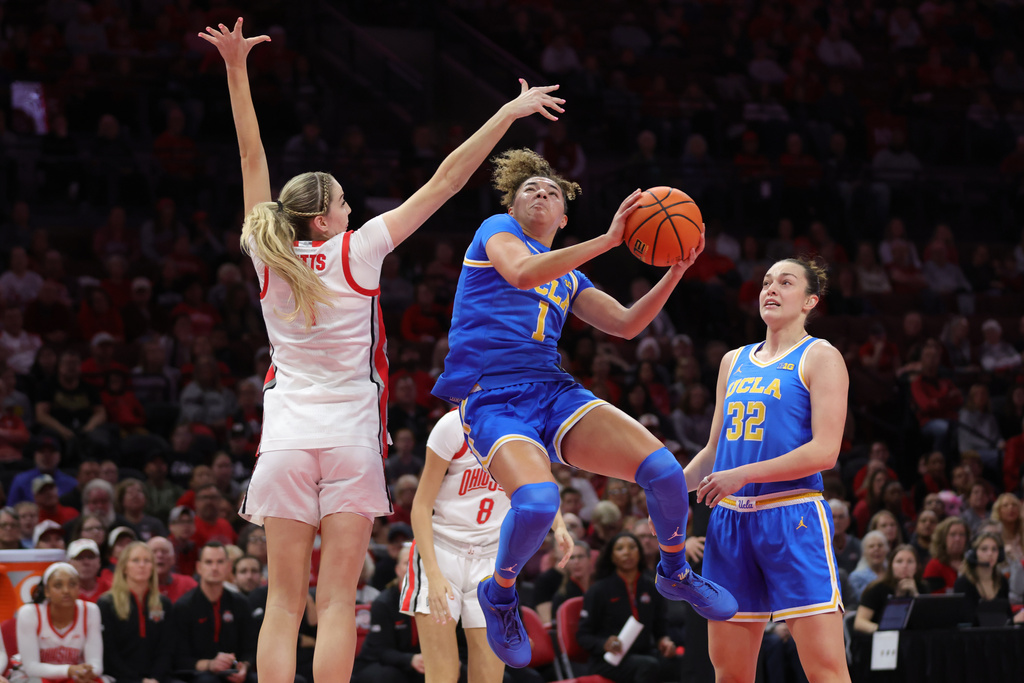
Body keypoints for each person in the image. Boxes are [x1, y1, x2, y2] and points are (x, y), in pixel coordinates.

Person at [198, 17, 565, 683]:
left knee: (281, 603)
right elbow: (448, 181)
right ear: (324, 219)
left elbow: (252, 159)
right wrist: (508, 112)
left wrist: (234, 68)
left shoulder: (265, 253)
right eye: (342, 201)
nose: (350, 205)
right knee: (337, 600)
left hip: (284, 439)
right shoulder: (357, 248)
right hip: (349, 440)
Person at [431, 146, 733, 668]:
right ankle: (500, 592)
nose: (541, 193)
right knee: (539, 502)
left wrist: (678, 269)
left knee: (662, 471)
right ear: (514, 204)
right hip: (493, 397)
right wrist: (611, 239)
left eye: (551, 190)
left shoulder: (570, 276)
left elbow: (627, 324)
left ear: (563, 215)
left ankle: (674, 570)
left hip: (551, 389)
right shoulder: (496, 231)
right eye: (530, 188)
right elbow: (523, 274)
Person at [683, 257, 851, 683]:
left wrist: (742, 473)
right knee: (730, 673)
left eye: (786, 282)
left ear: (810, 300)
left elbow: (825, 452)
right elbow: (713, 452)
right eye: (766, 282)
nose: (771, 289)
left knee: (826, 670)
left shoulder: (821, 356)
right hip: (730, 522)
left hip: (791, 516)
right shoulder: (732, 361)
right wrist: (661, 489)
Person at [403, 410, 572, 683]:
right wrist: (433, 574)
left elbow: (540, 483)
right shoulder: (453, 426)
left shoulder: (527, 427)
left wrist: (560, 525)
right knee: (442, 676)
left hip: (492, 560)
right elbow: (421, 506)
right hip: (443, 551)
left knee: (489, 677)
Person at [575, 532, 678, 683]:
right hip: (609, 659)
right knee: (647, 666)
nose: (627, 552)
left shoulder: (651, 587)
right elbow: (583, 635)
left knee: (680, 663)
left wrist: (664, 641)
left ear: (640, 553)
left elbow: (660, 626)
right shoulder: (599, 590)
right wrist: (604, 643)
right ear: (611, 556)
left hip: (644, 652)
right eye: (620, 548)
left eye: (632, 547)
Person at [170, 542, 257, 683]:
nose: (215, 568)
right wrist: (210, 664)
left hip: (236, 673)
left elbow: (250, 648)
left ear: (229, 567)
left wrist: (244, 667)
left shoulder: (241, 603)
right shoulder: (183, 607)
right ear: (199, 567)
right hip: (198, 675)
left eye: (220, 562)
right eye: (209, 562)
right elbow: (178, 659)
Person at [97, 541, 175, 683]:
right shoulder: (106, 604)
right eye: (136, 560)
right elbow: (109, 654)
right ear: (124, 567)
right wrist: (138, 681)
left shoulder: (164, 604)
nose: (142, 565)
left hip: (158, 679)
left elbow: (166, 649)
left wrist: (155, 678)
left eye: (147, 561)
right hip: (119, 678)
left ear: (152, 567)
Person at [16, 562, 103, 683]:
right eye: (58, 585)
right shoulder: (29, 613)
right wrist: (69, 670)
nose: (66, 590)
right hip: (37, 677)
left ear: (79, 588)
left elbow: (95, 663)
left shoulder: (90, 610)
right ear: (46, 591)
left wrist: (87, 672)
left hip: (74, 676)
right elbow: (31, 667)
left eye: (72, 584)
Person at [954, 531, 1024, 626]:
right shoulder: (963, 583)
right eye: (984, 549)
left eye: (994, 549)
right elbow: (970, 622)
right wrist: (1013, 621)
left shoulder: (1001, 581)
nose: (990, 553)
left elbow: (1007, 615)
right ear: (973, 554)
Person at [853, 544, 927, 634]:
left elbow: (927, 622)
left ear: (917, 567)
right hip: (880, 641)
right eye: (899, 561)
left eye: (910, 561)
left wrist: (916, 596)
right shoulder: (877, 589)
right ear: (891, 566)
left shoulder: (922, 588)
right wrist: (882, 630)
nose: (905, 566)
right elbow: (859, 622)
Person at [923, 516, 968, 593]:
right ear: (943, 538)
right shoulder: (934, 566)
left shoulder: (971, 564)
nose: (958, 539)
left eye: (962, 534)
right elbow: (933, 599)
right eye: (953, 534)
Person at [148, 535, 199, 603]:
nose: (159, 555)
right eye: (154, 551)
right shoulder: (139, 587)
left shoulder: (188, 584)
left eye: (164, 551)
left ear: (173, 558)